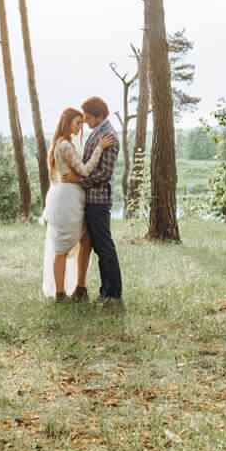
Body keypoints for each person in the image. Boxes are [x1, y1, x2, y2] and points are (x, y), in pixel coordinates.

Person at [42, 107, 112, 301]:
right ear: (67, 122)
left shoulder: (64, 143)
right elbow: (85, 170)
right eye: (77, 122)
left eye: (82, 122)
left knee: (85, 240)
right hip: (68, 201)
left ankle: (79, 288)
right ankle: (60, 293)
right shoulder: (64, 145)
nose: (81, 126)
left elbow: (75, 173)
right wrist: (100, 147)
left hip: (72, 197)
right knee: (62, 247)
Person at [74, 96, 123, 307]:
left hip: (99, 200)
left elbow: (104, 173)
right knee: (99, 247)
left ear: (99, 115)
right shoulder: (99, 133)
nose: (85, 121)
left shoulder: (109, 135)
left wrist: (80, 182)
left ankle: (113, 293)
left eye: (87, 117)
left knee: (104, 246)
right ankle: (106, 291)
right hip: (91, 199)